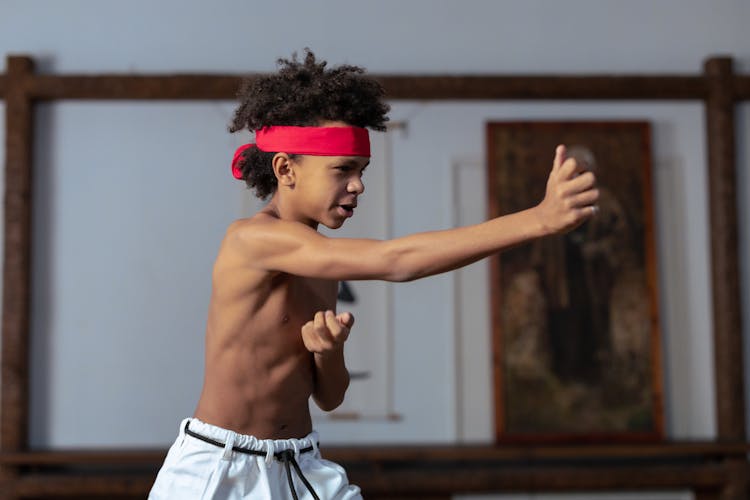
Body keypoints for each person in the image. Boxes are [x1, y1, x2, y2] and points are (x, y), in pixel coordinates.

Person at [148, 50, 599, 500]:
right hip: (221, 470)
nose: (358, 185)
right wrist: (538, 220)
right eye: (343, 169)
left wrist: (328, 354)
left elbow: (330, 397)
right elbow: (396, 260)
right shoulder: (251, 240)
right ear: (286, 168)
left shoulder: (319, 262)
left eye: (361, 171)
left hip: (299, 463)